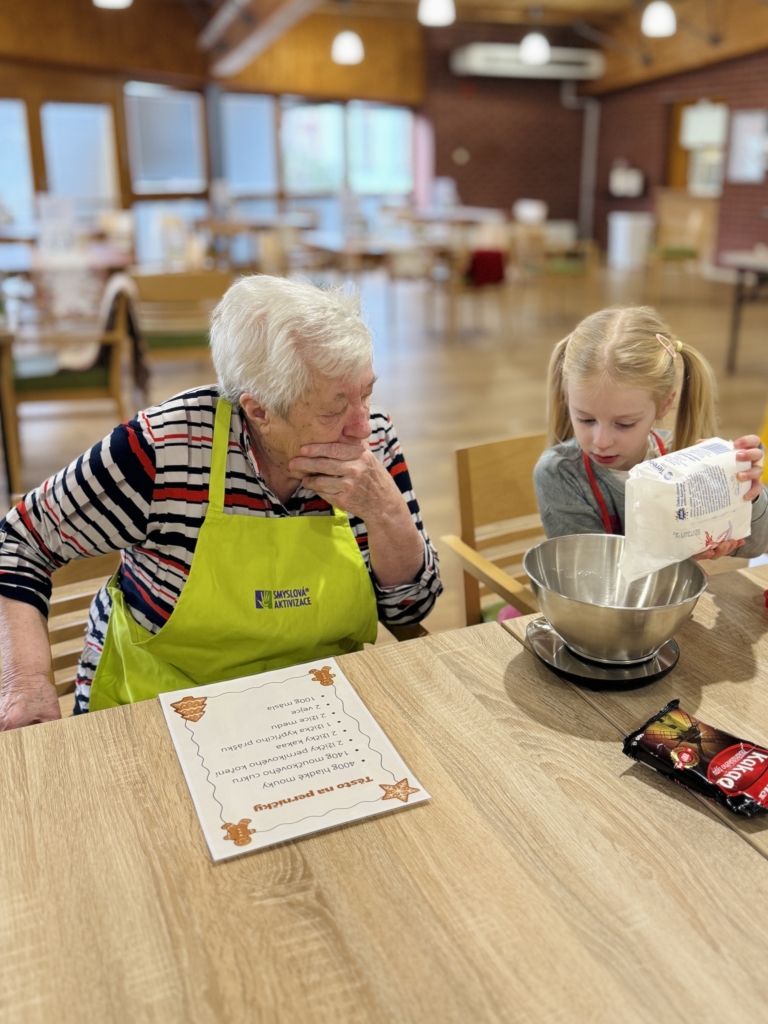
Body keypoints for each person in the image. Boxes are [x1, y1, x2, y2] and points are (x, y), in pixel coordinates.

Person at [0, 276, 442, 730]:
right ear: (259, 411)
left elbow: (411, 608)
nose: (362, 426)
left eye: (366, 393)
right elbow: (18, 541)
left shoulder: (372, 444)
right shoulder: (161, 451)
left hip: (312, 710)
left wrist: (386, 513)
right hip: (162, 709)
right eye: (335, 408)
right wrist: (24, 684)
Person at [534, 306, 768, 556]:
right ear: (567, 398)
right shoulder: (560, 473)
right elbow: (589, 571)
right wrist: (680, 554)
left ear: (664, 405)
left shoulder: (687, 460)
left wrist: (746, 493)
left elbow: (758, 546)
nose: (601, 442)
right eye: (586, 419)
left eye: (624, 424)